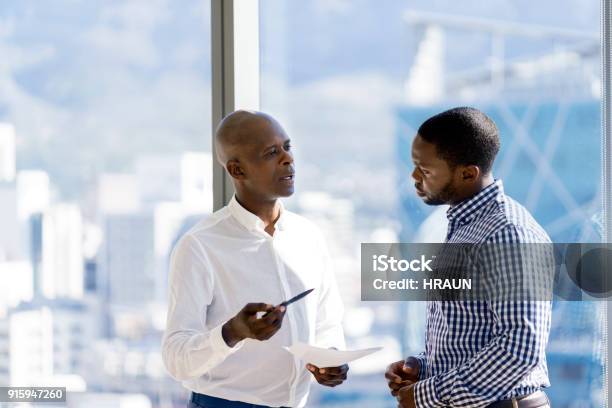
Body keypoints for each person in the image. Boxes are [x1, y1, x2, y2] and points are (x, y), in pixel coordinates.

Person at [162, 110, 349, 408]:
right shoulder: (199, 245)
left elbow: (327, 322)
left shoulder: (309, 235)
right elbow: (176, 358)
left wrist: (330, 357)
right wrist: (232, 332)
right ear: (237, 170)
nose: (288, 159)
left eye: (287, 147)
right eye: (271, 152)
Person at [385, 107, 552, 408]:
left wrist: (427, 395)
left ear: (467, 173)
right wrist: (421, 368)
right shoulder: (464, 228)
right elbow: (470, 334)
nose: (414, 177)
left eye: (425, 169)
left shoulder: (508, 233)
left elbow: (519, 350)